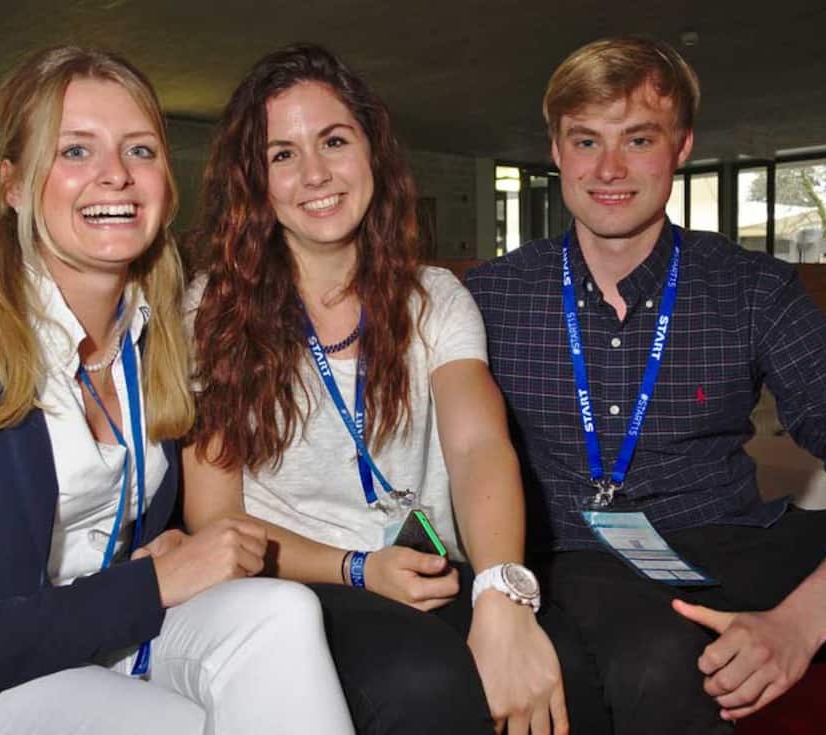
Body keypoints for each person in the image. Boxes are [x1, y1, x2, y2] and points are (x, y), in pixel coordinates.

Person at [0, 46, 353, 735]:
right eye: (75, 151)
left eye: (140, 150)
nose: (116, 175)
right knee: (167, 724)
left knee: (281, 612)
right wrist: (148, 584)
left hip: (94, 632)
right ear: (14, 186)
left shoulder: (165, 334)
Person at [465, 36, 826, 735]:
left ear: (681, 146)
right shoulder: (490, 297)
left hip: (725, 541)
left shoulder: (751, 288)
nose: (609, 168)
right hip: (574, 556)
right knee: (659, 663)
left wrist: (798, 623)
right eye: (585, 140)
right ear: (557, 150)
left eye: (638, 138)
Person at [183, 44, 601, 735]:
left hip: (435, 567)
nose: (314, 172)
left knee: (563, 675)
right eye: (281, 154)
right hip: (299, 584)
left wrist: (501, 590)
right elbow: (212, 514)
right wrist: (357, 567)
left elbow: (476, 446)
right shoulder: (211, 310)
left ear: (371, 150)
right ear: (253, 181)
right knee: (425, 684)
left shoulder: (433, 296)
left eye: (333, 140)